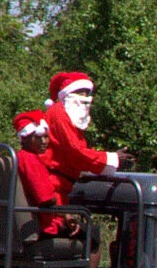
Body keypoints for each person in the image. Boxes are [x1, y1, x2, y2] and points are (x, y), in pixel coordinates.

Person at [42, 71, 132, 199]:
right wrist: (113, 159)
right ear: (68, 95)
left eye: (87, 93)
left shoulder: (68, 117)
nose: (85, 97)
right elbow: (75, 151)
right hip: (52, 187)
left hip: (61, 187)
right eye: (80, 92)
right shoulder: (59, 114)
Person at [14, 110, 78, 240]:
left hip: (35, 221)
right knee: (92, 235)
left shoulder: (19, 156)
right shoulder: (31, 160)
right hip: (45, 226)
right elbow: (46, 199)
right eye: (38, 137)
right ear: (24, 138)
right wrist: (65, 214)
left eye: (46, 136)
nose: (44, 141)